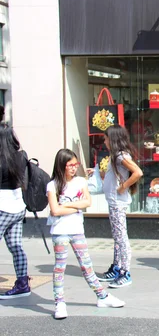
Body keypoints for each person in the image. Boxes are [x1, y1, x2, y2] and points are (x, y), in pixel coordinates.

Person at [47, 149, 125, 319]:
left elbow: (87, 202)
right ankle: (59, 302)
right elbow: (54, 210)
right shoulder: (52, 185)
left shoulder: (81, 182)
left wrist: (66, 206)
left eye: (76, 164)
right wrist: (76, 205)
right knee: (60, 267)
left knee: (87, 266)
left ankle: (102, 296)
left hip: (77, 230)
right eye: (70, 165)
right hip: (60, 232)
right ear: (62, 166)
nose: (74, 168)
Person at [96, 125, 143, 288]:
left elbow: (137, 172)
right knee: (117, 237)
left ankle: (125, 272)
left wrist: (124, 187)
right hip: (114, 201)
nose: (105, 141)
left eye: (106, 138)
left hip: (117, 202)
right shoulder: (117, 156)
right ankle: (116, 268)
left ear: (113, 139)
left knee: (121, 237)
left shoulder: (120, 156)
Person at [0, 123, 30, 299]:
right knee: (16, 246)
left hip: (2, 208)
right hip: (18, 208)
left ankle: (22, 284)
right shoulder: (21, 156)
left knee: (15, 246)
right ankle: (22, 283)